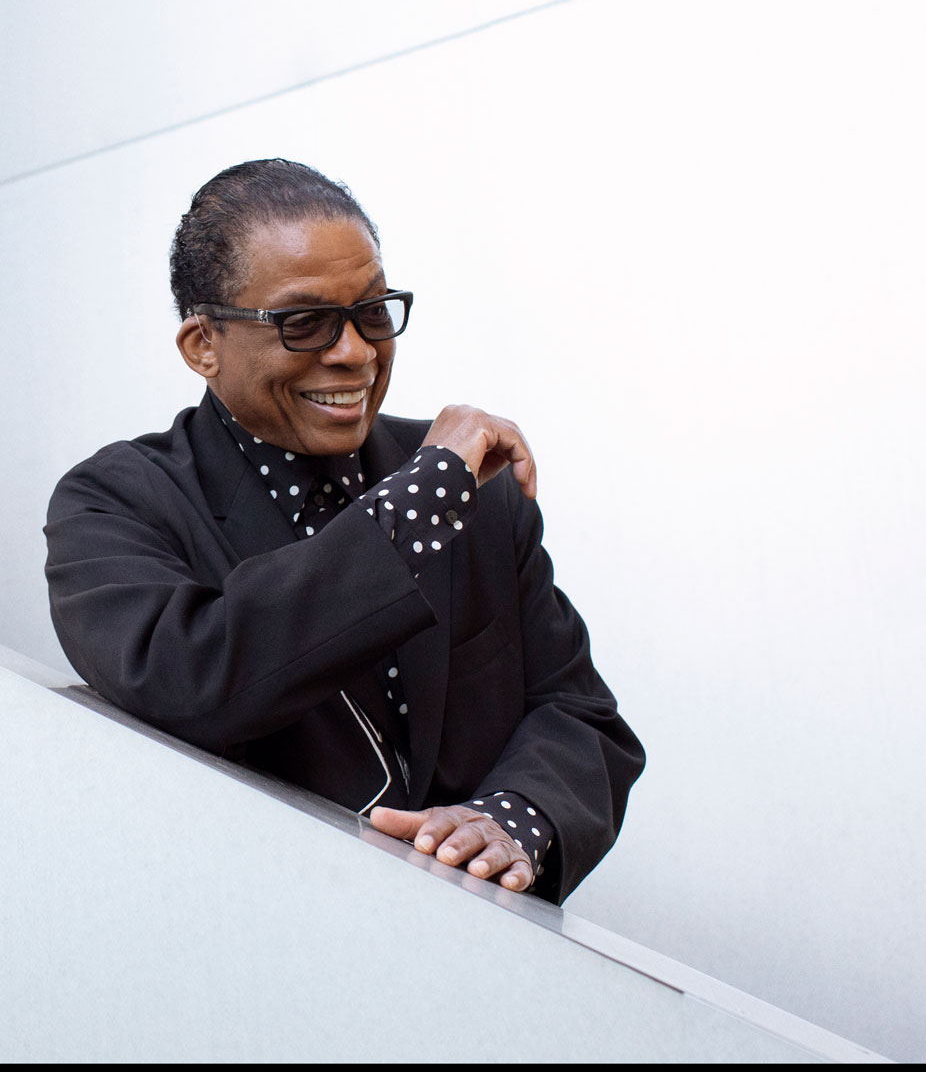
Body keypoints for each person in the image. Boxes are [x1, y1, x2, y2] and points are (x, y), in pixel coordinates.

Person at [43, 158, 644, 903]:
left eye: (372, 311)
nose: (356, 351)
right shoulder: (114, 503)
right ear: (203, 345)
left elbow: (580, 713)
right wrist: (419, 506)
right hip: (247, 953)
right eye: (305, 322)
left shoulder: (477, 493)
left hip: (474, 957)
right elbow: (196, 680)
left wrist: (511, 819)